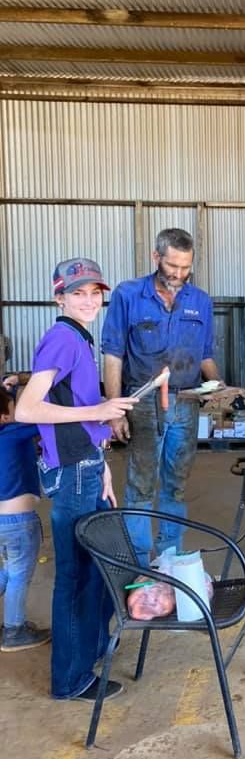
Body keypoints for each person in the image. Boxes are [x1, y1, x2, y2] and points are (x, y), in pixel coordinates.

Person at [15, 258, 137, 699]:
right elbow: (27, 409)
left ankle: (92, 650)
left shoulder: (79, 338)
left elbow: (76, 409)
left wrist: (101, 458)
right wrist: (99, 410)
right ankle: (70, 679)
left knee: (97, 567)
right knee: (76, 575)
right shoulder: (63, 340)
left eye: (94, 292)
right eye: (78, 292)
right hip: (70, 476)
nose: (89, 300)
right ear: (59, 297)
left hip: (85, 467)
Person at [101, 228, 222, 566]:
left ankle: (169, 554)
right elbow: (113, 354)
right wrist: (115, 410)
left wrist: (220, 386)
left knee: (177, 482)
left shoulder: (200, 301)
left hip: (186, 404)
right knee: (141, 483)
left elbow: (206, 354)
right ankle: (139, 559)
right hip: (143, 405)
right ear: (156, 258)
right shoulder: (128, 295)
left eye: (186, 268)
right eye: (173, 267)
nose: (179, 275)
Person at [0, 381, 50, 652]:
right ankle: (13, 631)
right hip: (18, 523)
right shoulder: (13, 432)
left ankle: (14, 623)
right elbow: (41, 417)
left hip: (3, 524)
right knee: (19, 575)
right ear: (5, 416)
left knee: (8, 570)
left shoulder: (9, 431)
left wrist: (10, 388)